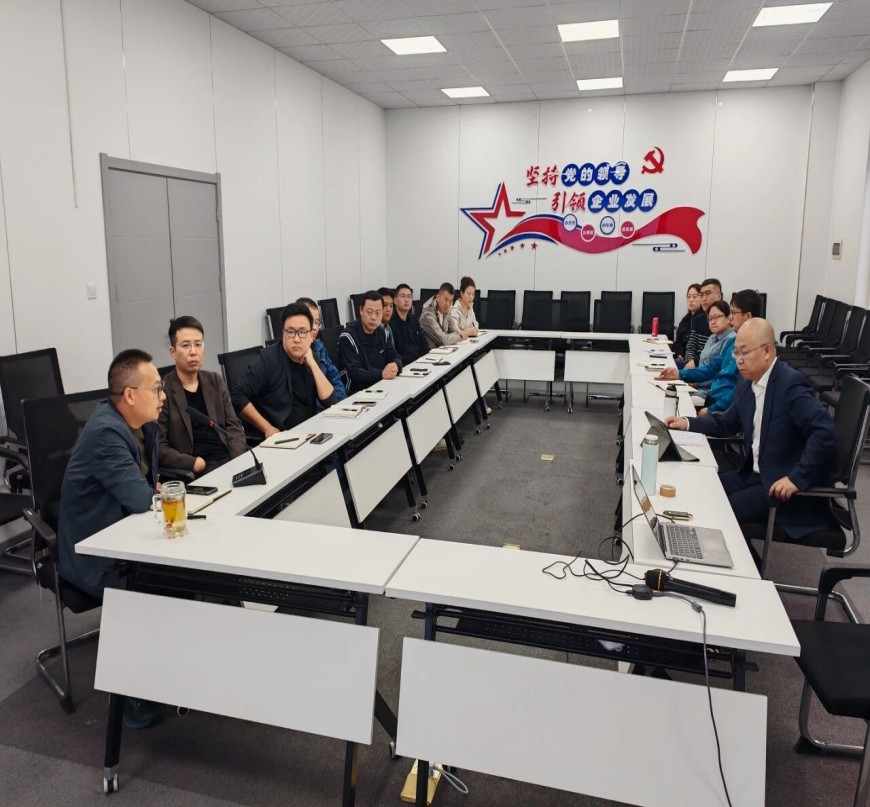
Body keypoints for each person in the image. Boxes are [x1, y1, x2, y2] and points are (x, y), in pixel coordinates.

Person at [58, 349, 165, 729]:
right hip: (94, 553)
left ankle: (171, 666)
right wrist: (155, 495)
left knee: (185, 574)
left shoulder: (142, 424)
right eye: (156, 388)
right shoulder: (106, 431)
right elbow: (140, 498)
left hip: (127, 534)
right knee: (156, 585)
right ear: (130, 395)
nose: (163, 396)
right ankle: (129, 691)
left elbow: (148, 487)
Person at [665, 319, 838, 542]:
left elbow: (825, 431)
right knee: (703, 490)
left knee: (720, 512)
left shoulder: (790, 385)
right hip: (753, 475)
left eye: (744, 353)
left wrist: (796, 478)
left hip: (778, 485)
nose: (739, 360)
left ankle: (741, 562)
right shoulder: (750, 382)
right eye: (736, 353)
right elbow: (726, 422)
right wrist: (687, 423)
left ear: (767, 351)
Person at [232, 303, 338, 438]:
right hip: (281, 438)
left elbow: (330, 401)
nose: (296, 339)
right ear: (283, 333)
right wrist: (267, 428)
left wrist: (313, 364)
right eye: (290, 332)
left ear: (311, 335)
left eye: (302, 332)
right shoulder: (268, 359)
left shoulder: (311, 357)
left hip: (309, 433)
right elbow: (238, 395)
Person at [158, 316, 247, 475]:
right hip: (198, 469)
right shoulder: (163, 391)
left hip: (229, 459)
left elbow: (233, 425)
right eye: (186, 345)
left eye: (198, 344)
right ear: (173, 352)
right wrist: (192, 463)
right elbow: (159, 447)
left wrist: (238, 460)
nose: (193, 352)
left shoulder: (214, 380)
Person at [657, 300, 738, 414]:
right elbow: (706, 366)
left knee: (672, 400)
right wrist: (684, 376)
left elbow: (715, 372)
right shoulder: (712, 338)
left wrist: (692, 380)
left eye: (717, 317)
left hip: (708, 391)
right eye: (710, 318)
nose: (713, 321)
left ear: (728, 318)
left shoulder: (731, 341)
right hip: (699, 384)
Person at [339, 290, 402, 392]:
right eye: (369, 312)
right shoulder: (347, 337)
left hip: (381, 386)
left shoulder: (384, 333)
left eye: (378, 313)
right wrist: (382, 374)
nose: (373, 317)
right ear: (361, 310)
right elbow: (355, 373)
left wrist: (395, 365)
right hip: (356, 392)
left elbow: (395, 356)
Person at [296, 297, 347, 403]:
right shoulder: (294, 354)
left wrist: (339, 403)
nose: (315, 328)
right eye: (311, 321)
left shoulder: (319, 347)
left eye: (317, 323)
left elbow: (335, 379)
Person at [682, 277, 722, 368]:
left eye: (707, 293)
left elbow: (714, 354)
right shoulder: (698, 319)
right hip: (692, 365)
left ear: (719, 296)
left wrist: (695, 363)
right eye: (701, 294)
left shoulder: (724, 321)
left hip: (708, 368)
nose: (704, 298)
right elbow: (690, 347)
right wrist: (689, 362)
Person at [420, 283, 474, 349]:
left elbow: (455, 331)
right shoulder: (427, 315)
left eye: (450, 301)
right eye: (445, 299)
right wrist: (460, 336)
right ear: (438, 297)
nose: (448, 304)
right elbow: (443, 340)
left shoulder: (446, 310)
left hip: (444, 350)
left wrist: (451, 337)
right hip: (430, 353)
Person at [391, 283, 428, 365]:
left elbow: (424, 344)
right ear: (395, 301)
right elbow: (393, 353)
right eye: (403, 296)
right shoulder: (390, 323)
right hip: (403, 366)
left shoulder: (414, 320)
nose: (406, 300)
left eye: (409, 296)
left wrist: (423, 361)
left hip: (419, 363)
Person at [672, 284, 701, 360]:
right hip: (681, 358)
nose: (691, 300)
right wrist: (679, 354)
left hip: (694, 361)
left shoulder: (704, 320)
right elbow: (677, 342)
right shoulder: (685, 319)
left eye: (694, 297)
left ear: (702, 298)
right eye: (689, 296)